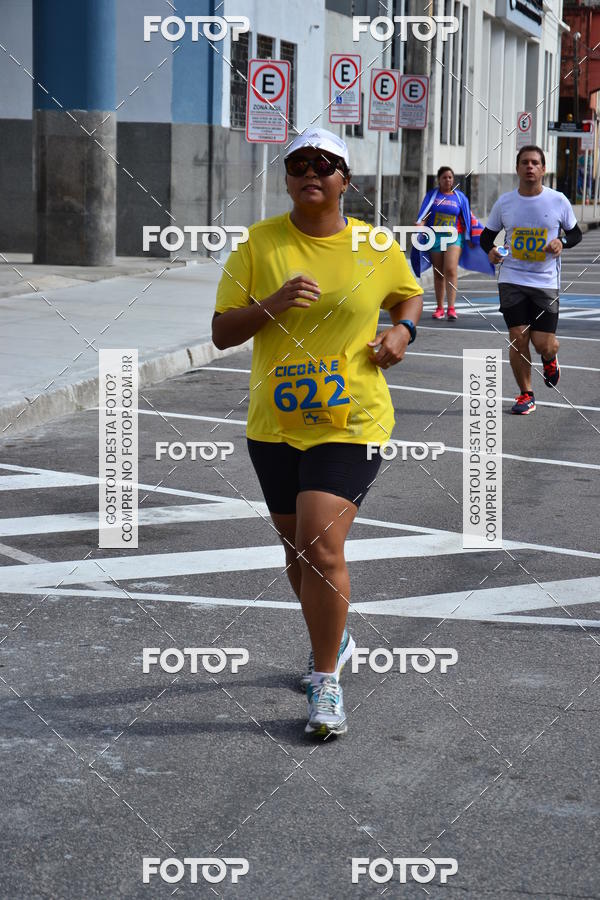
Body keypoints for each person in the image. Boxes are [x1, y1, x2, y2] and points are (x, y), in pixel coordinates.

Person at [212, 127, 423, 738]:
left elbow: (407, 298)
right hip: (275, 423)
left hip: (352, 418)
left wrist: (401, 334)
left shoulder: (375, 244)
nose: (312, 172)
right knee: (297, 552)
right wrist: (274, 302)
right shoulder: (259, 243)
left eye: (326, 164)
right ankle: (335, 632)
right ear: (286, 177)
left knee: (321, 546)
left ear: (345, 180)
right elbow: (224, 332)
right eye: (299, 163)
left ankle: (325, 679)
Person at [480, 145, 582, 415]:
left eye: (535, 163)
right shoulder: (505, 203)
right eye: (525, 162)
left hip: (545, 282)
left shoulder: (558, 201)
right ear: (517, 168)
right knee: (517, 337)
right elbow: (485, 238)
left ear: (543, 169)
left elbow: (576, 234)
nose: (530, 167)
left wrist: (561, 241)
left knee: (543, 343)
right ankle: (526, 394)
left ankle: (550, 358)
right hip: (512, 278)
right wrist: (491, 251)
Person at [414, 167, 486, 320]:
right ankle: (440, 307)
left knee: (451, 269)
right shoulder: (433, 196)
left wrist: (471, 237)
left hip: (454, 236)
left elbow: (466, 217)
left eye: (450, 177)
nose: (448, 180)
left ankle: (451, 308)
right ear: (439, 180)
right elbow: (425, 214)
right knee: (438, 273)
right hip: (434, 237)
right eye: (445, 177)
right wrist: (420, 224)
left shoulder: (459, 198)